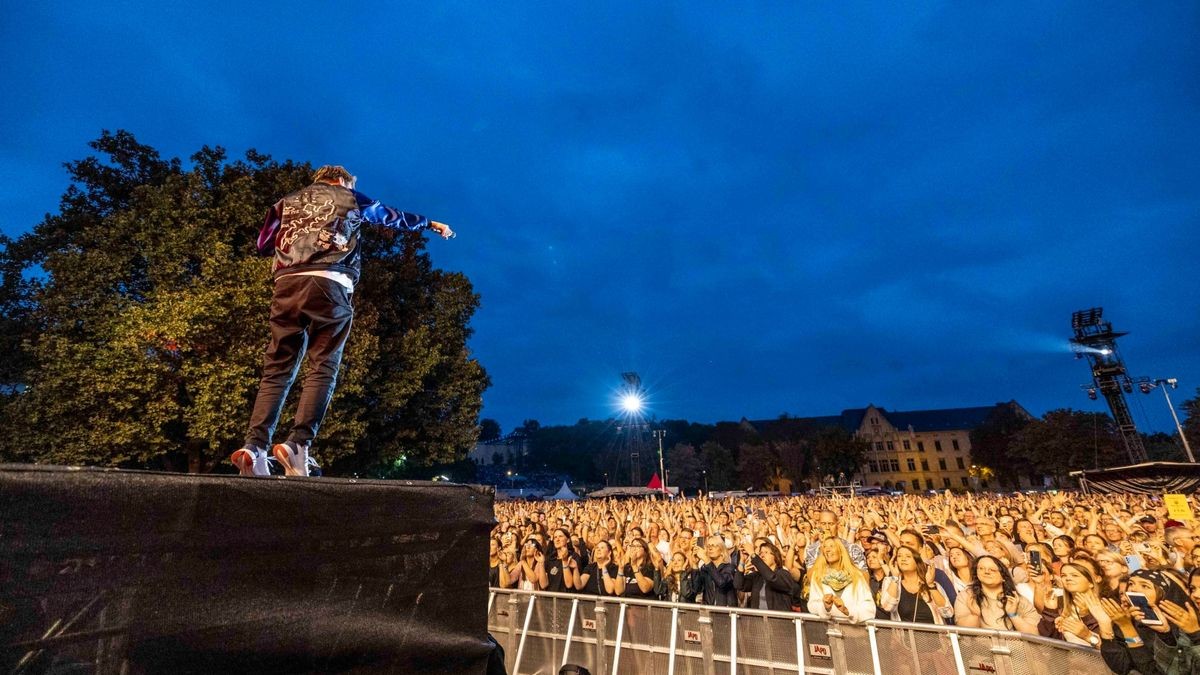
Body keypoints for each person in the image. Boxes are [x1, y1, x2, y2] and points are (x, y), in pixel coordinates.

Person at [230, 165, 454, 476]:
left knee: (277, 369)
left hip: (286, 284)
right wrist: (429, 224)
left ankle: (254, 448)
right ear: (344, 180)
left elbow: (263, 243)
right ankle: (297, 445)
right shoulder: (350, 196)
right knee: (323, 365)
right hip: (329, 282)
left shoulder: (285, 202)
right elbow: (389, 215)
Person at [953, 555, 1039, 633]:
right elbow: (964, 635)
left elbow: (1035, 635)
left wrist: (1013, 615)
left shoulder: (1016, 599)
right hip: (981, 649)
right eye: (981, 568)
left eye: (992, 570)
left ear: (1003, 576)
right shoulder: (967, 596)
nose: (986, 572)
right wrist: (975, 615)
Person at [806, 537, 876, 622]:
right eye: (825, 547)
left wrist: (847, 611)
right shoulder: (817, 576)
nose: (827, 549)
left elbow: (869, 608)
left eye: (832, 546)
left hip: (855, 633)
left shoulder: (857, 576)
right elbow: (812, 605)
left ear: (841, 551)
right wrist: (825, 607)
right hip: (829, 631)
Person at [736, 541, 795, 611]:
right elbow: (739, 585)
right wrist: (742, 561)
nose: (762, 555)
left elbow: (771, 578)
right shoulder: (757, 576)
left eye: (766, 552)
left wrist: (752, 554)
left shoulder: (784, 574)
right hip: (757, 620)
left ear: (775, 557)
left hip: (778, 621)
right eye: (760, 553)